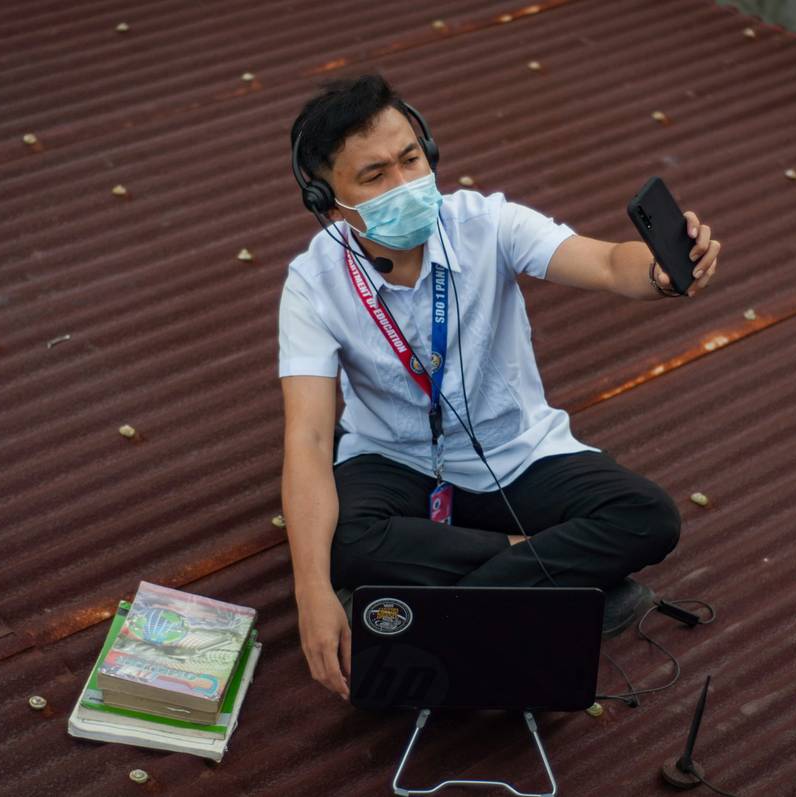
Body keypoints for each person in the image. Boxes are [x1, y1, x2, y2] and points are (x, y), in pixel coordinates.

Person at [279, 73, 721, 700]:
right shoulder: (312, 282)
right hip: (396, 463)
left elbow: (603, 261)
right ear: (327, 199)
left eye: (411, 160)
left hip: (516, 455)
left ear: (429, 151)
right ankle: (554, 575)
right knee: (342, 545)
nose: (405, 184)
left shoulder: (487, 222)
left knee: (647, 516)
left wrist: (658, 272)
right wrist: (311, 594)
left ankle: (436, 611)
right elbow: (309, 436)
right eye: (374, 176)